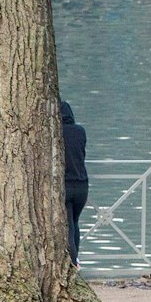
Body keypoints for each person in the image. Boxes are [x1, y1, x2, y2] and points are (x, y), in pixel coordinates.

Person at [59, 101, 89, 266]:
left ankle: (73, 262)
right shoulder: (80, 131)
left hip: (65, 185)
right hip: (82, 185)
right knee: (75, 223)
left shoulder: (56, 133)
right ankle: (76, 257)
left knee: (68, 226)